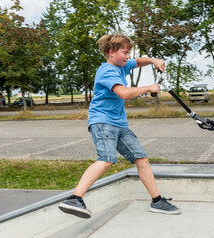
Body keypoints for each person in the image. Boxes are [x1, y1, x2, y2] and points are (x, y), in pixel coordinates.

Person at [59, 33, 181, 218]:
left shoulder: (121, 67)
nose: (128, 57)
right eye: (125, 52)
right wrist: (148, 87)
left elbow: (139, 62)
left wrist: (154, 60)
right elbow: (123, 93)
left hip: (119, 124)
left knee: (141, 159)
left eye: (129, 53)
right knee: (106, 159)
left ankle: (157, 201)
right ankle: (75, 198)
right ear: (111, 52)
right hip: (102, 122)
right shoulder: (107, 71)